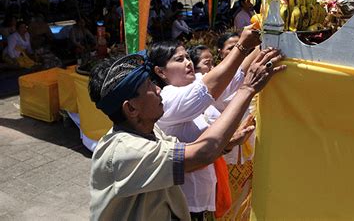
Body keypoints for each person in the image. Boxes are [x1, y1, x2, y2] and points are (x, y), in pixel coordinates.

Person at [88, 48, 284, 220]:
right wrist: (248, 88)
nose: (158, 90)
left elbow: (188, 155)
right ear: (131, 108)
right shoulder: (128, 150)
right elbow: (201, 154)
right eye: (149, 86)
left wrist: (226, 144)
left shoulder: (148, 131)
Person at [147, 28, 262, 218]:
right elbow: (210, 89)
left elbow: (236, 75)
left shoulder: (194, 83)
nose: (188, 62)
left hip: (204, 198)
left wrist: (263, 43)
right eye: (179, 59)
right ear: (160, 71)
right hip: (183, 203)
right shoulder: (167, 99)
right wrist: (242, 46)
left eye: (187, 57)